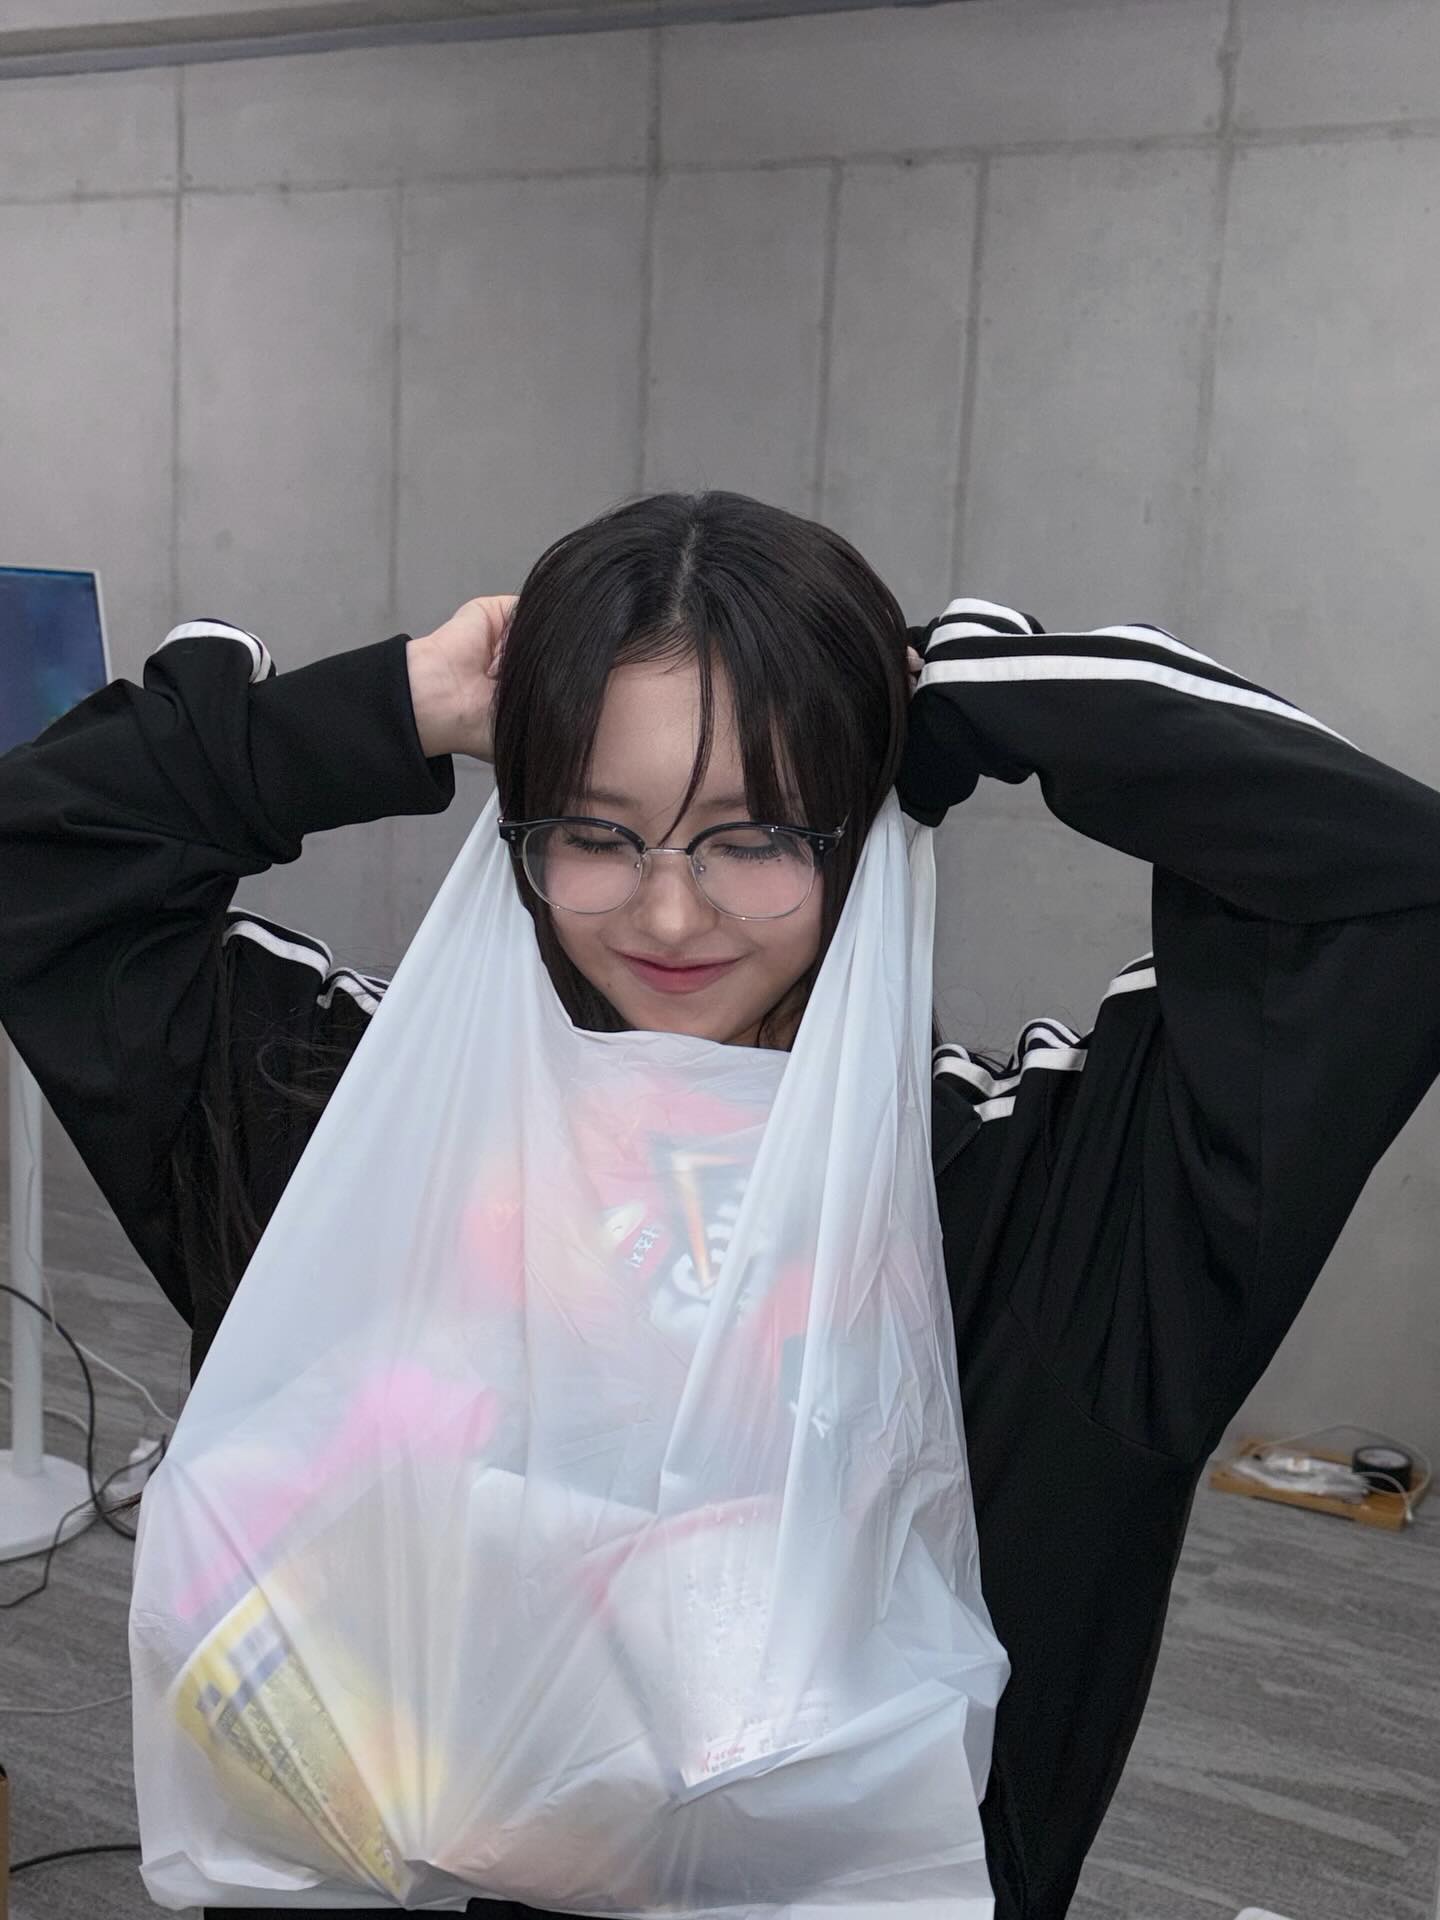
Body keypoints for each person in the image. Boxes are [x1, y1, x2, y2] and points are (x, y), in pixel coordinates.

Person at [3, 489, 1439, 1920]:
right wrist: (399, 703)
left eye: (757, 838)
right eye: (595, 831)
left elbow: (1390, 892)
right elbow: (38, 858)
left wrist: (957, 696)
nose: (670, 914)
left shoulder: (1034, 1202)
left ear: (858, 832)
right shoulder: (358, 1132)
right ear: (519, 831)